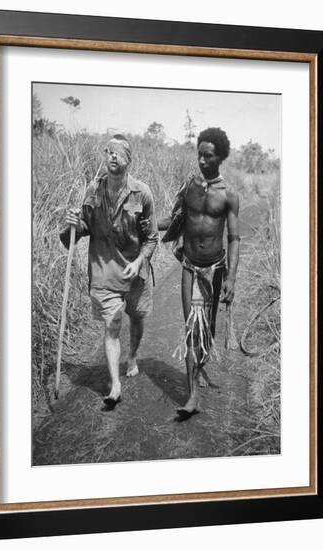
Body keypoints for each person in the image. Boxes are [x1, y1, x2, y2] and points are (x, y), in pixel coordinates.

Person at [60, 135, 158, 409]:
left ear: (129, 159)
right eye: (109, 151)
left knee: (136, 319)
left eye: (119, 152)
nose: (113, 156)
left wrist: (140, 262)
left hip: (134, 271)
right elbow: (79, 232)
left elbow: (151, 238)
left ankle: (134, 355)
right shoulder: (93, 190)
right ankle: (115, 385)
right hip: (104, 270)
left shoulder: (142, 193)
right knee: (112, 325)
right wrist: (73, 225)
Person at [157, 127, 240, 419]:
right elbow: (173, 219)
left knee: (209, 329)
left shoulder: (229, 195)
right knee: (193, 328)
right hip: (190, 267)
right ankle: (192, 395)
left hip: (215, 270)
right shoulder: (189, 187)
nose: (202, 161)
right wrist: (144, 222)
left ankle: (200, 368)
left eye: (208, 156)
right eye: (199, 155)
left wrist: (231, 278)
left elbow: (234, 238)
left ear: (220, 157)